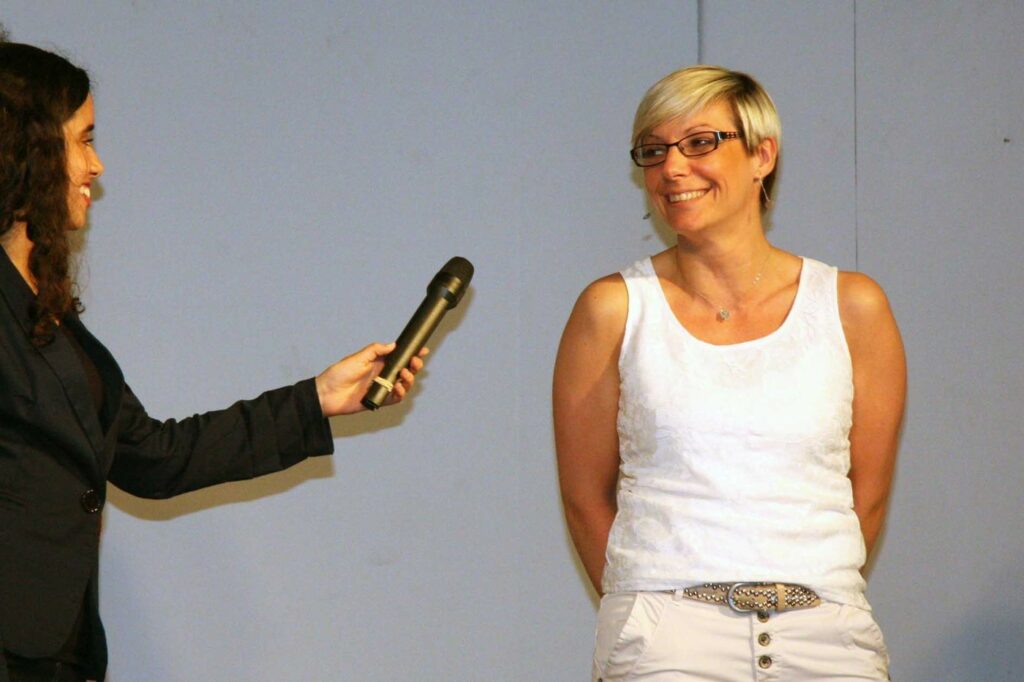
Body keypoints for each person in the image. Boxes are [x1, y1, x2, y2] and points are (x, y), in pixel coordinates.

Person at [0, 40, 425, 682]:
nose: (97, 165)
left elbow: (154, 457)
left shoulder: (49, 312)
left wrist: (316, 399)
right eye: (83, 140)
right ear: (30, 150)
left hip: (59, 653)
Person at [554, 65, 905, 680]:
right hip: (667, 640)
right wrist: (649, 608)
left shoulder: (853, 307)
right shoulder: (613, 309)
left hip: (827, 637)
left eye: (700, 143)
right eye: (654, 151)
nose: (673, 168)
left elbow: (866, 497)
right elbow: (586, 499)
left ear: (762, 155)